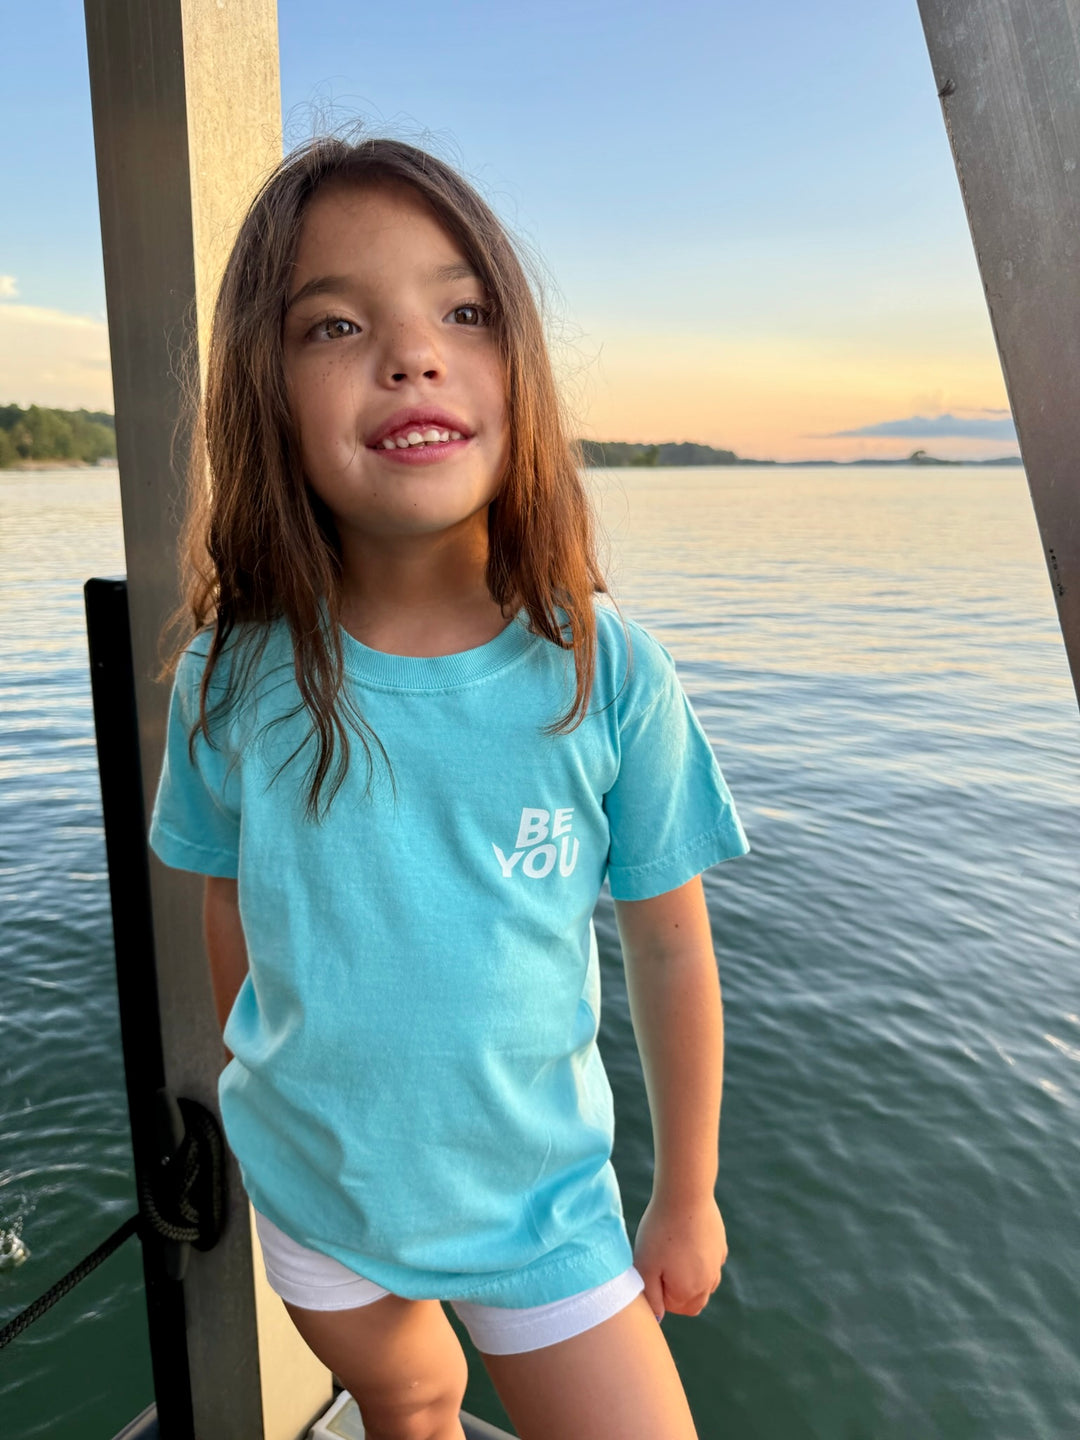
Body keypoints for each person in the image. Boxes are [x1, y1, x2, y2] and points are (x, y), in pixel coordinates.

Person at [149, 134, 750, 1440]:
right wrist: (269, 1072)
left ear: (518, 366)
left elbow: (667, 942)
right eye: (335, 324)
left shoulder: (608, 673)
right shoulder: (229, 675)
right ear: (268, 393)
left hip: (542, 1210)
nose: (410, 351)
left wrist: (685, 1192)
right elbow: (224, 901)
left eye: (462, 308)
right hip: (313, 1187)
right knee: (406, 1404)